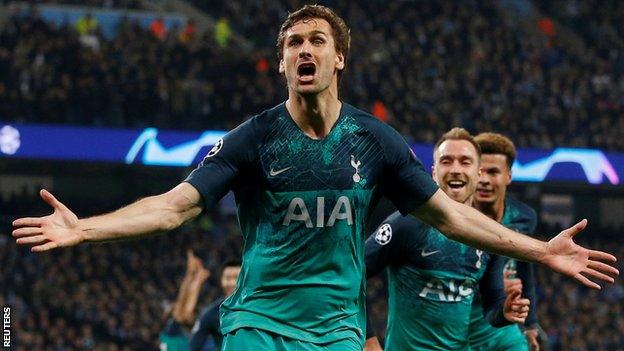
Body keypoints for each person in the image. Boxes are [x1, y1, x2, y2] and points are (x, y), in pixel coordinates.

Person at [12, 5, 618, 351]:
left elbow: (452, 216)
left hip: (337, 335)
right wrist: (85, 229)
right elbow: (175, 206)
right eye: (294, 43)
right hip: (258, 325)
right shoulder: (254, 138)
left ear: (338, 58)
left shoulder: (375, 142)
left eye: (317, 41)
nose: (305, 50)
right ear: (282, 63)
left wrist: (541, 251)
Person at [363, 128, 530, 350]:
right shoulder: (405, 224)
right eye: (446, 161)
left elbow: (492, 305)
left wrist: (504, 313)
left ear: (478, 173)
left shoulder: (489, 235)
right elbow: (353, 273)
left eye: (465, 162)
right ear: (433, 172)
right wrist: (368, 337)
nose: (455, 169)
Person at [468, 133, 546, 351]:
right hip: (459, 323)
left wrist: (530, 324)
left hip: (503, 323)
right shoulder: (453, 218)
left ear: (509, 176)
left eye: (493, 172)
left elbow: (525, 270)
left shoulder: (524, 217)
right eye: (480, 172)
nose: (484, 180)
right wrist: (491, 286)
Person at [160, 250, 211, 351]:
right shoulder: (171, 333)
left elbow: (182, 306)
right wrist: (193, 277)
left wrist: (193, 276)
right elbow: (181, 306)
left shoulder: (176, 334)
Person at [189, 259, 241, 351]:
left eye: (236, 278)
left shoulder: (258, 306)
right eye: (228, 278)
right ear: (221, 280)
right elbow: (194, 346)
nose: (232, 283)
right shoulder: (211, 313)